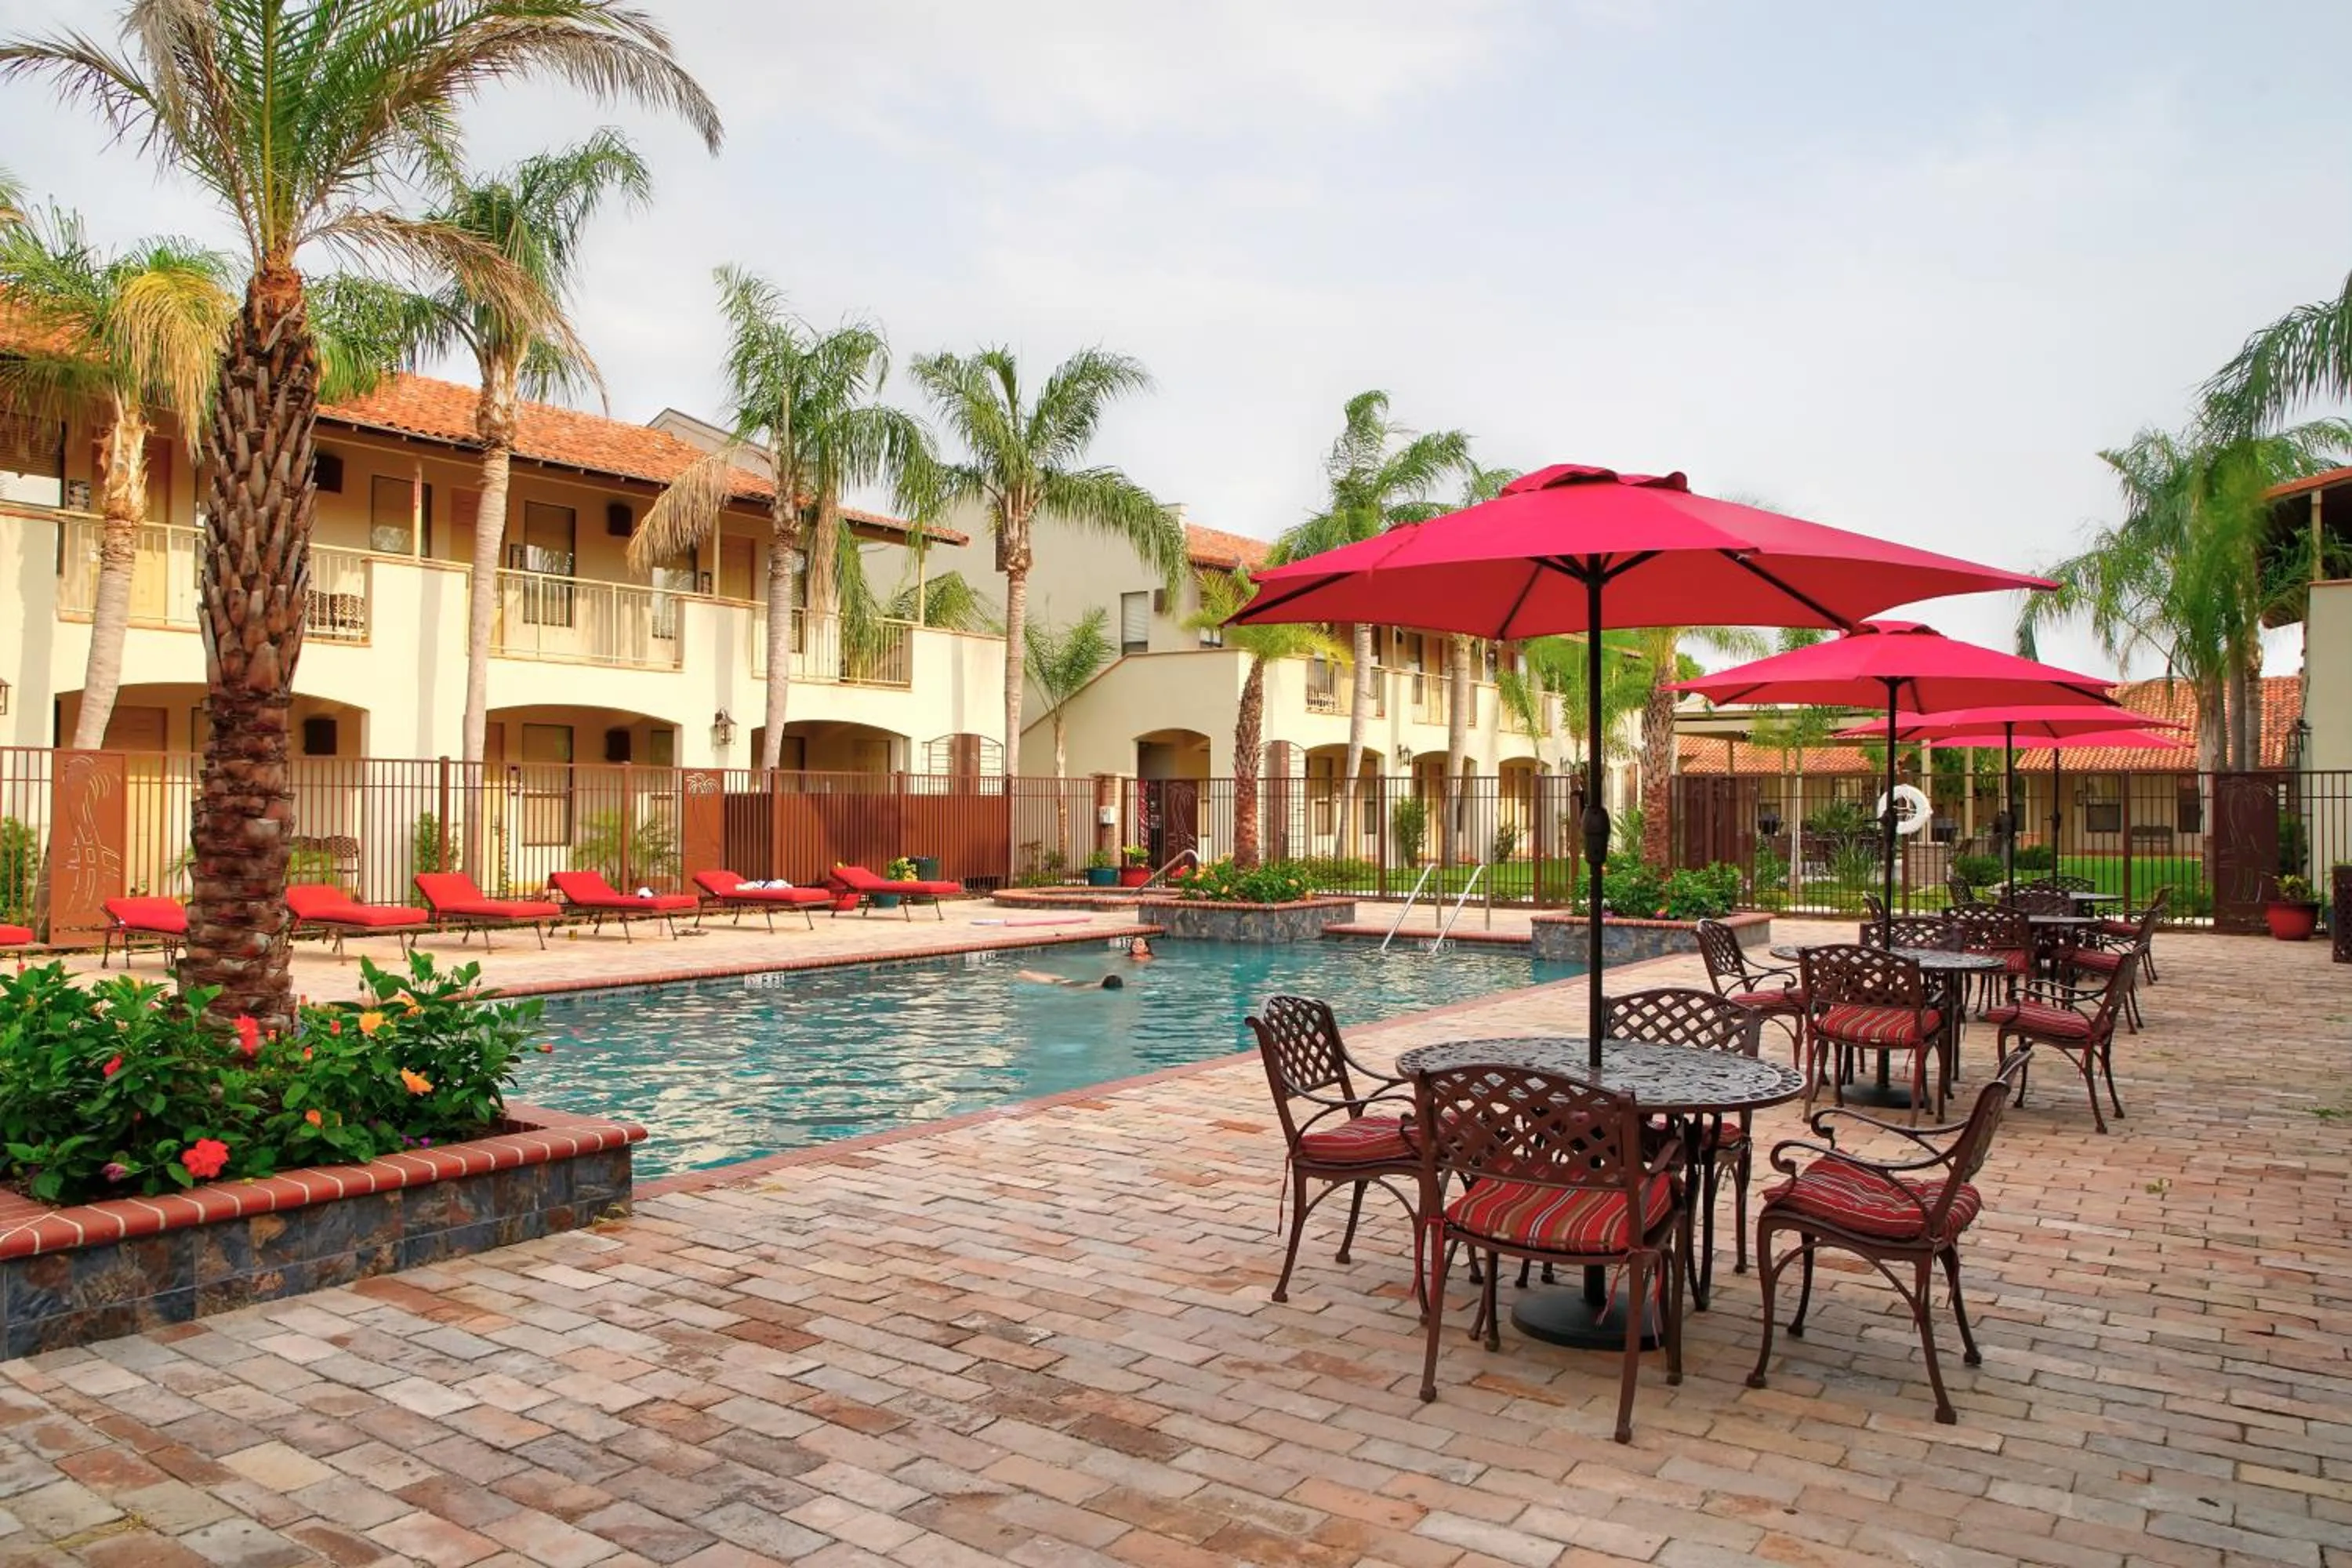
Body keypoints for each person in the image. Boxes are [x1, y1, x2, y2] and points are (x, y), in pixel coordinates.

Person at [1014, 970, 1123, 989]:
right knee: (1032, 974)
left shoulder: (1096, 986)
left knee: (1025, 974)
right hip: (1065, 981)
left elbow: (1078, 989)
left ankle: (1020, 974)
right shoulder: (1099, 985)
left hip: (1061, 983)